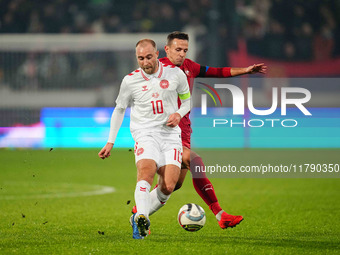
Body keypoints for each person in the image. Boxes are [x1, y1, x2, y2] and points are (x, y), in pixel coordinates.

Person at [132, 32, 266, 229]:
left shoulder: (189, 67)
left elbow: (218, 72)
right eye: (178, 50)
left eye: (185, 50)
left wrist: (245, 70)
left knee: (172, 185)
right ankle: (220, 215)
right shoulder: (155, 69)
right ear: (167, 50)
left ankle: (138, 213)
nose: (182, 54)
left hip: (184, 132)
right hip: (164, 134)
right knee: (195, 161)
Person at [98, 39, 191, 239]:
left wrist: (179, 114)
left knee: (168, 186)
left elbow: (187, 101)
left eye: (148, 57)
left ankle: (138, 216)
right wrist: (110, 141)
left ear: (157, 54)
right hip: (145, 133)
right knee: (146, 173)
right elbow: (120, 109)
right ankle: (141, 218)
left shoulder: (176, 74)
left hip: (170, 135)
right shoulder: (130, 81)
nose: (145, 62)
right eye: (140, 58)